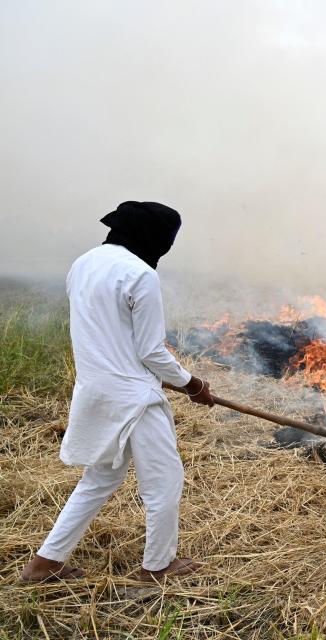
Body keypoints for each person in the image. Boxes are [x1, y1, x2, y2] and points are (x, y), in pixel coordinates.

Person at [20, 201, 214, 583]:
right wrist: (193, 385)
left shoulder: (83, 263)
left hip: (95, 389)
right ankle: (157, 568)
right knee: (164, 480)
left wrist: (152, 373)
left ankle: (43, 565)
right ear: (153, 237)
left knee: (99, 479)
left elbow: (105, 333)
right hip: (134, 399)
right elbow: (151, 350)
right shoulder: (140, 274)